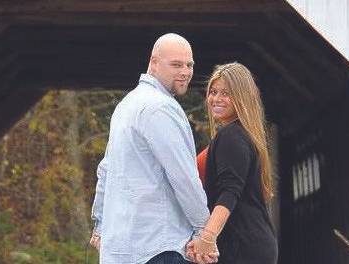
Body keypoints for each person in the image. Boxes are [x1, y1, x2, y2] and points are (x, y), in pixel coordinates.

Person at [89, 33, 218, 264]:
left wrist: (99, 223)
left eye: (189, 65)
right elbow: (183, 177)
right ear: (154, 62)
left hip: (121, 249)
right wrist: (204, 231)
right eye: (176, 64)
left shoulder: (127, 105)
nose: (185, 72)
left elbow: (106, 170)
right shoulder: (160, 108)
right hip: (158, 246)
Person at [187, 62, 278, 264]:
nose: (216, 99)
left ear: (242, 97)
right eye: (213, 92)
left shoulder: (232, 137)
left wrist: (207, 237)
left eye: (225, 94)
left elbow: (229, 193)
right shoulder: (243, 135)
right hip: (251, 244)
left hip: (241, 247)